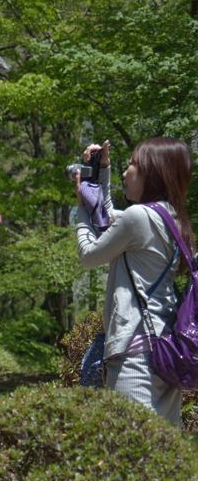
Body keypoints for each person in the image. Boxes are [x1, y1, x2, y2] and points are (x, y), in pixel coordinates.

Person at [74, 137, 195, 425]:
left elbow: (89, 254)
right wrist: (100, 173)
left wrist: (80, 207)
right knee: (164, 455)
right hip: (165, 352)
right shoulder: (172, 219)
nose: (125, 172)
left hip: (134, 358)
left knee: (131, 448)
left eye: (132, 165)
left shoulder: (139, 217)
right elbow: (108, 218)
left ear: (153, 173)